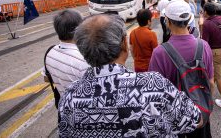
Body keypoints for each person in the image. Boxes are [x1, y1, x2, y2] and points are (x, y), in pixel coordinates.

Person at [59, 14, 202, 137]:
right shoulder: (153, 86)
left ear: (83, 51)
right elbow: (195, 119)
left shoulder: (69, 97)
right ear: (123, 44)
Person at [149, 0, 214, 138]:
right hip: (200, 115)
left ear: (167, 21)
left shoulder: (160, 53)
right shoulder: (204, 46)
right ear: (190, 19)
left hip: (174, 121)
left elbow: (154, 94)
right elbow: (211, 83)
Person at [43, 9, 89, 95]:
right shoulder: (84, 60)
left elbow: (46, 78)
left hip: (63, 103)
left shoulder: (50, 52)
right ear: (79, 29)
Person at [202, 2, 221, 110]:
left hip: (214, 53)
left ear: (205, 12)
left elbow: (205, 42)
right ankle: (208, 94)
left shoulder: (206, 24)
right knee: (215, 75)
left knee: (218, 77)